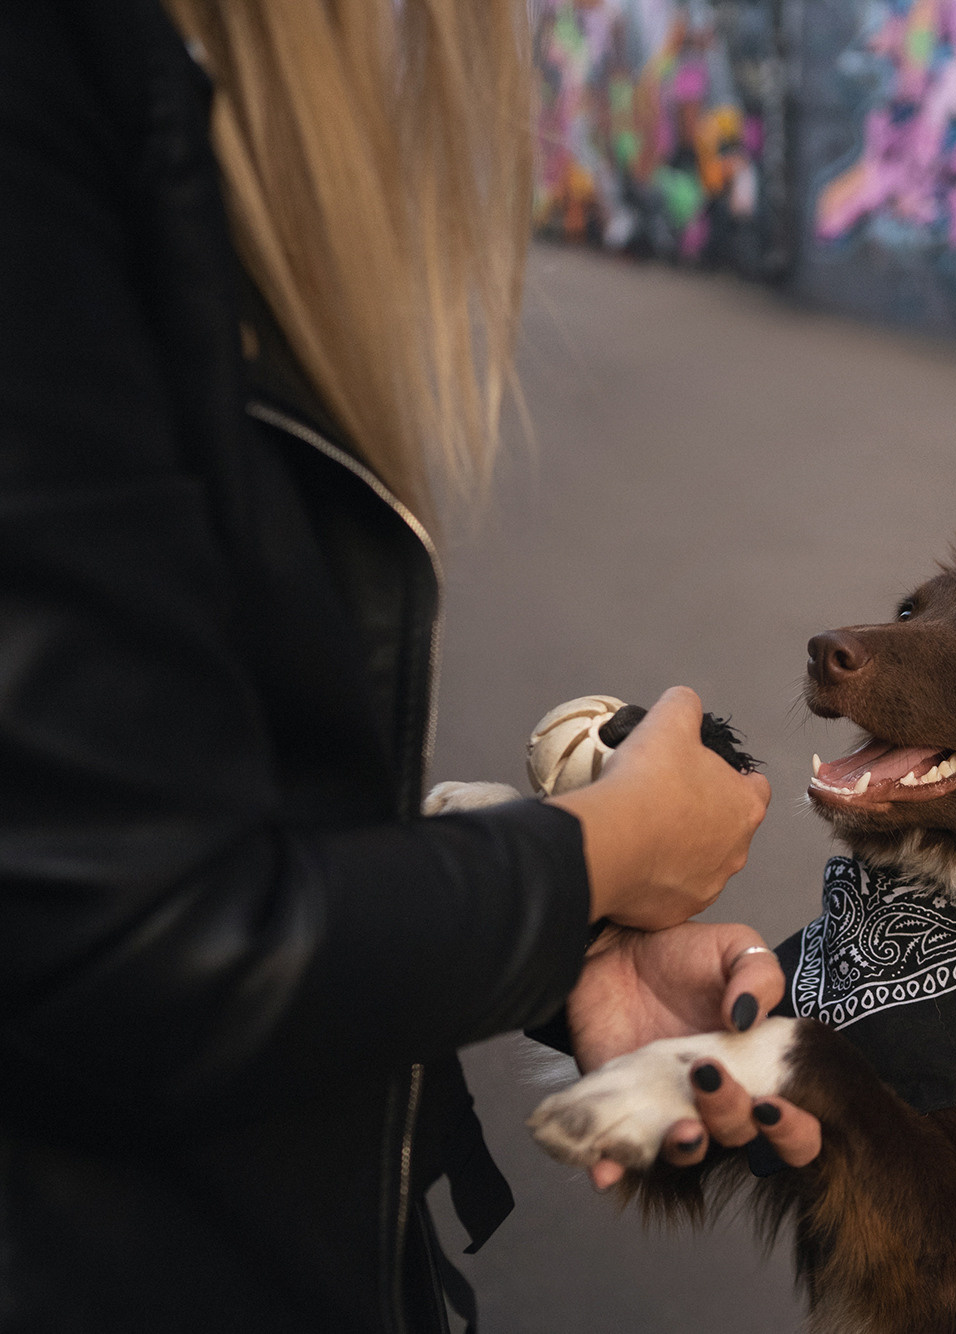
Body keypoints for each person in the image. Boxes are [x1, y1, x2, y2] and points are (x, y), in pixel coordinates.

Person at [0, 2, 815, 1329]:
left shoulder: (134, 90)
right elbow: (124, 943)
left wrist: (561, 950)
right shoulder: (48, 93)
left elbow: (144, 812)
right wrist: (594, 856)